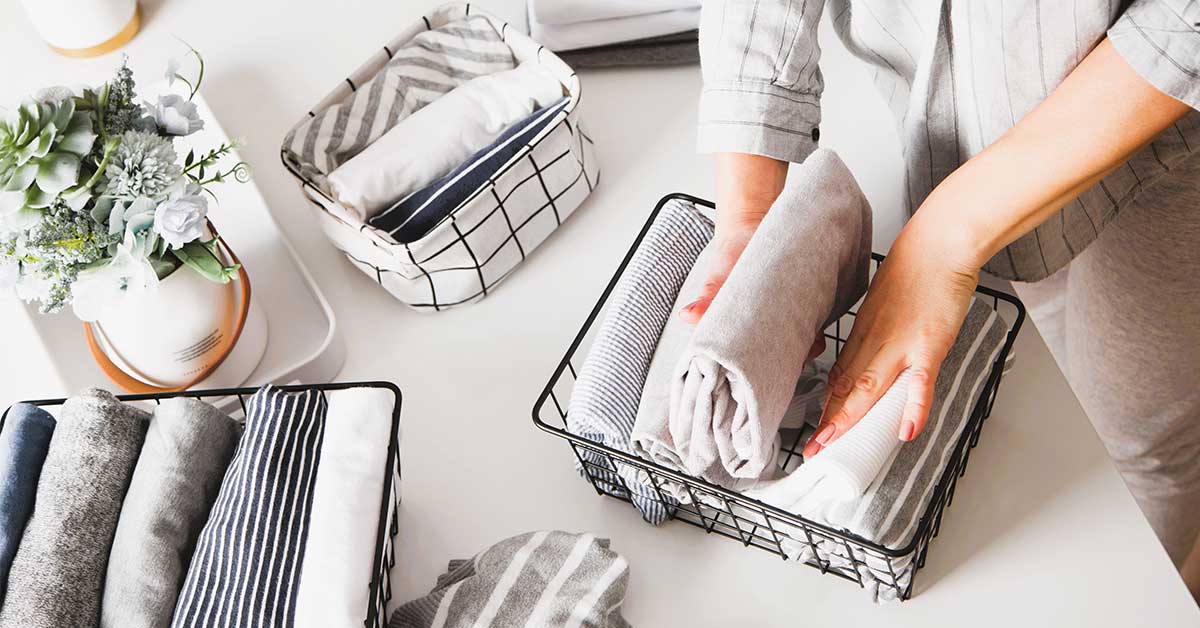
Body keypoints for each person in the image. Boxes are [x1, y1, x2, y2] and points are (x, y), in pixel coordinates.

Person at [688, 0, 1200, 595]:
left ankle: (1146, 592)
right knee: (1046, 361)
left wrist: (943, 238)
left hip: (1165, 136)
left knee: (1140, 436)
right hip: (947, 106)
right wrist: (750, 216)